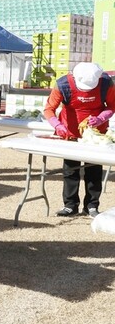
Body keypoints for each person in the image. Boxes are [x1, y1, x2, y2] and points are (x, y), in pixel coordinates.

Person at [43, 62, 115, 218]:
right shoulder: (63, 84)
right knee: (70, 170)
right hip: (70, 132)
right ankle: (70, 205)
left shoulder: (106, 83)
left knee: (94, 171)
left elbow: (112, 105)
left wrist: (101, 118)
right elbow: (49, 109)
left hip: (95, 134)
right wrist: (57, 125)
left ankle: (92, 206)